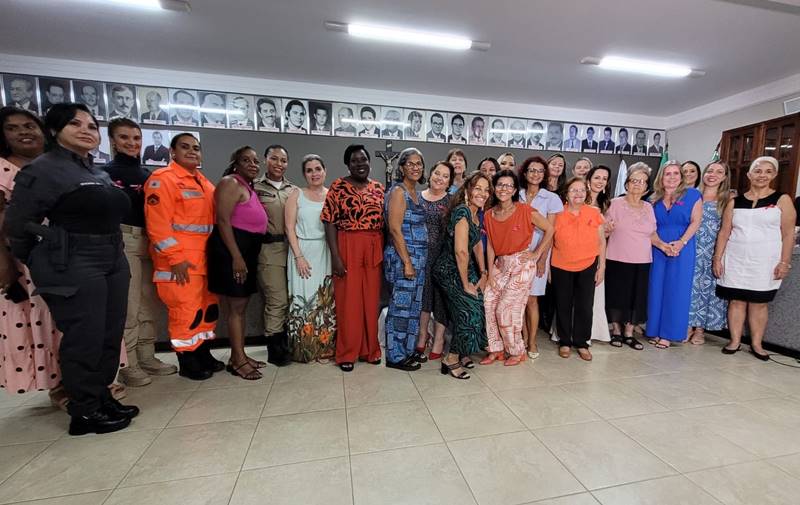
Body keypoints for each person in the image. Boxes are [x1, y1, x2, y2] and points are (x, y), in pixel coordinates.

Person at [5, 103, 136, 435]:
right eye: (75, 124)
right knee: (85, 336)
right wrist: (41, 258)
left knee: (109, 332)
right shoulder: (43, 170)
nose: (86, 130)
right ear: (54, 131)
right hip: (74, 260)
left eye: (92, 126)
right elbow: (19, 226)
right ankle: (85, 411)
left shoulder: (96, 171)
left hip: (111, 256)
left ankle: (102, 397)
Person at [104, 118, 176, 387]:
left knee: (149, 302)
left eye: (136, 138)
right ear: (112, 140)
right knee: (130, 305)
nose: (132, 143)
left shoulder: (149, 175)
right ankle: (128, 363)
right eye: (124, 138)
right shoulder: (105, 174)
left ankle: (147, 356)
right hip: (124, 239)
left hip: (152, 240)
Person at [0, 107, 64, 405]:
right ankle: (60, 387)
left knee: (70, 322)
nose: (24, 132)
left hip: (70, 256)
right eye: (13, 128)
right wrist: (5, 269)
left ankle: (84, 382)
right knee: (41, 323)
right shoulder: (3, 170)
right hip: (25, 261)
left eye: (30, 125)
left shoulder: (60, 166)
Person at [145, 133, 221, 379]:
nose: (192, 151)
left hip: (204, 263)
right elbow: (158, 226)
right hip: (180, 264)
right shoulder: (163, 180)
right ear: (172, 152)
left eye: (196, 148)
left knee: (207, 311)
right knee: (186, 313)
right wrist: (175, 258)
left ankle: (203, 353)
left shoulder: (203, 182)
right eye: (185, 147)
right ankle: (188, 360)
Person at [714, 156, 796, 360]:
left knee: (759, 303)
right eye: (758, 171)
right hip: (735, 258)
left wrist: (785, 261)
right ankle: (734, 341)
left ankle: (757, 344)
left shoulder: (782, 200)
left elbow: (788, 234)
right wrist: (717, 258)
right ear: (749, 174)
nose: (762, 175)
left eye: (768, 171)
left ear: (774, 175)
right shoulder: (735, 201)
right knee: (736, 301)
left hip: (765, 260)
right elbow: (724, 232)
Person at [321, 145, 385, 372]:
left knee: (371, 301)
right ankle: (347, 353)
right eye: (355, 161)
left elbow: (386, 223)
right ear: (348, 164)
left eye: (364, 160)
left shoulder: (379, 188)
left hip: (374, 245)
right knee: (349, 302)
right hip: (347, 244)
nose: (361, 164)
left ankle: (370, 350)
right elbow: (328, 221)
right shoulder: (338, 186)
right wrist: (336, 256)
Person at [207, 146, 268, 380]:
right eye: (246, 160)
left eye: (255, 161)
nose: (253, 164)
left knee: (240, 307)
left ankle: (239, 355)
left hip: (246, 251)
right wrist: (237, 257)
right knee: (236, 308)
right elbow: (222, 221)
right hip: (234, 252)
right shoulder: (230, 183)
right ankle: (238, 361)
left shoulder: (246, 186)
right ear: (236, 163)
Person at [481, 170, 553, 366]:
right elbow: (491, 246)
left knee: (506, 308)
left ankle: (517, 350)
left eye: (508, 185)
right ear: (494, 188)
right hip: (499, 264)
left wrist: (537, 254)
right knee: (488, 302)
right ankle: (496, 349)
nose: (504, 189)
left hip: (521, 264)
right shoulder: (489, 214)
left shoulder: (524, 210)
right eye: (500, 185)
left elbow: (550, 229)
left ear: (514, 190)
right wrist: (488, 273)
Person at [433, 172, 491, 379]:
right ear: (467, 190)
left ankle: (464, 352)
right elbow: (461, 251)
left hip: (466, 269)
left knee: (480, 306)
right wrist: (466, 283)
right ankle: (451, 358)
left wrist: (483, 273)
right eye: (478, 188)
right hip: (449, 270)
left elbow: (476, 245)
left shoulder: (475, 214)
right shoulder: (462, 212)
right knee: (469, 312)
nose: (482, 193)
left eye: (486, 190)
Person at [646, 161, 703, 349]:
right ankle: (654, 330)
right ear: (661, 177)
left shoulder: (693, 195)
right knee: (656, 289)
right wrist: (661, 245)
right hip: (657, 247)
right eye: (667, 173)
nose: (671, 177)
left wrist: (681, 242)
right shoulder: (652, 199)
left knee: (676, 290)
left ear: (681, 177)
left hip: (682, 247)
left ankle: (669, 334)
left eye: (675, 173)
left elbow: (695, 222)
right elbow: (648, 227)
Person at [285, 154, 335, 362]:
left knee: (325, 298)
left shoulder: (332, 194)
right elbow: (289, 228)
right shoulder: (296, 195)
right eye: (309, 170)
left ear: (325, 171)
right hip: (303, 249)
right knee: (304, 298)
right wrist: (299, 257)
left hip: (326, 250)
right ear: (304, 174)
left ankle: (324, 346)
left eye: (318, 169)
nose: (314, 173)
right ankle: (303, 349)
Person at [551, 177, 606, 361]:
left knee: (585, 306)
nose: (578, 194)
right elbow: (550, 241)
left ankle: (582, 343)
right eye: (573, 190)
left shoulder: (594, 212)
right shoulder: (557, 213)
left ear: (587, 193)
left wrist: (602, 267)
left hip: (588, 264)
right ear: (566, 193)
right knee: (563, 305)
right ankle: (565, 341)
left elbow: (601, 241)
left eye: (582, 190)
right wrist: (548, 268)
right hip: (561, 264)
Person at [384, 148, 428, 371]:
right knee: (400, 307)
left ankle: (408, 350)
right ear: (401, 168)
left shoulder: (415, 193)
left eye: (419, 163)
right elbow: (394, 228)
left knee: (412, 308)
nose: (415, 167)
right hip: (404, 260)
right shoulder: (399, 192)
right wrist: (408, 262)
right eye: (410, 164)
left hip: (417, 260)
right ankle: (395, 356)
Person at [604, 163, 656, 350]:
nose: (637, 184)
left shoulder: (649, 207)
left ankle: (629, 333)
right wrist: (606, 230)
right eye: (634, 180)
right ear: (626, 184)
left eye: (642, 182)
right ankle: (616, 331)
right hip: (617, 257)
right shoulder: (614, 203)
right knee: (617, 296)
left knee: (637, 297)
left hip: (642, 259)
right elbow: (604, 230)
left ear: (647, 187)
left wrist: (665, 246)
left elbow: (652, 234)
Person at [254, 145, 298, 366]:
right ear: (265, 160)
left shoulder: (294, 190)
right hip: (269, 251)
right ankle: (274, 346)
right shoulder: (254, 187)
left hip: (293, 250)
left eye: (283, 160)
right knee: (276, 300)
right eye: (274, 159)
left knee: (291, 299)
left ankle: (287, 341)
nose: (278, 164)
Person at [518, 156, 563, 359]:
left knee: (532, 301)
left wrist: (541, 258)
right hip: (516, 255)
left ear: (544, 175)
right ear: (525, 173)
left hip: (538, 254)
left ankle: (533, 341)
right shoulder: (516, 194)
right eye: (531, 170)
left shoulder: (551, 198)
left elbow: (550, 231)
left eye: (539, 171)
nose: (535, 174)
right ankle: (522, 339)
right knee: (518, 300)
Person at [687, 161, 730, 345]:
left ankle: (700, 330)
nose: (713, 175)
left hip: (712, 250)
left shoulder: (727, 200)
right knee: (689, 289)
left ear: (725, 177)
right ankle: (687, 325)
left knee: (707, 290)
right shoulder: (692, 195)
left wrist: (718, 256)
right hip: (690, 247)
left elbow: (727, 229)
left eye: (719, 172)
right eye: (710, 171)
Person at [418, 161, 454, 361]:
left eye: (445, 176)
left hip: (443, 257)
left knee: (440, 300)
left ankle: (439, 339)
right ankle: (423, 335)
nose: (440, 178)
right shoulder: (416, 198)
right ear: (430, 174)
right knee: (423, 299)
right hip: (421, 257)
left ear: (449, 181)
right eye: (437, 173)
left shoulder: (452, 201)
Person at [586, 166, 612, 343]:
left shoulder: (606, 205)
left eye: (604, 178)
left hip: (596, 254)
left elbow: (604, 236)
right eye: (597, 177)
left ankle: (593, 332)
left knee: (594, 294)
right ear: (588, 180)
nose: (600, 181)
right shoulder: (576, 199)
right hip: (575, 255)